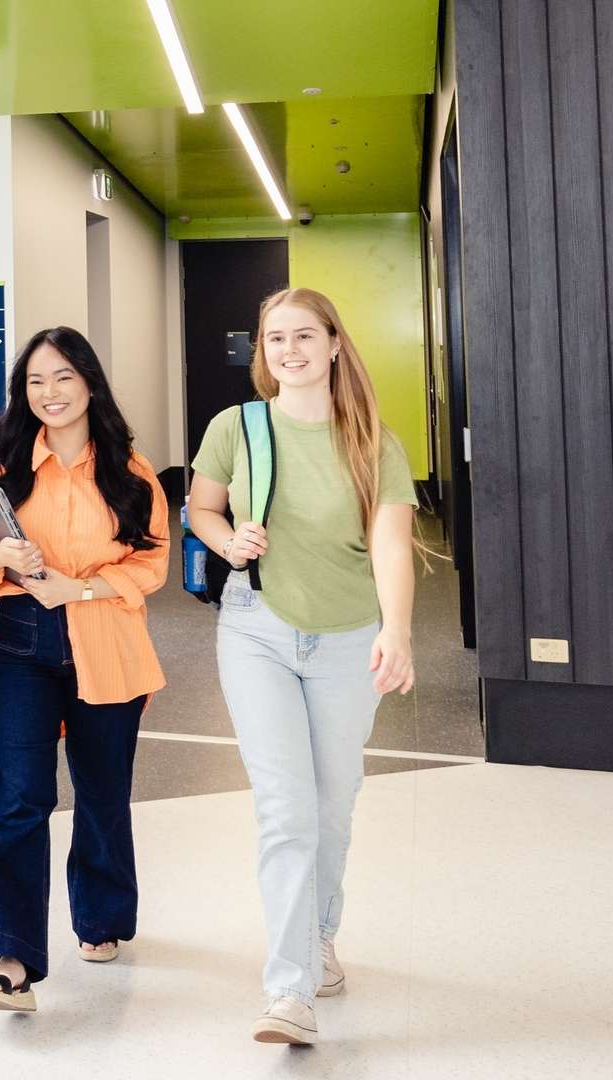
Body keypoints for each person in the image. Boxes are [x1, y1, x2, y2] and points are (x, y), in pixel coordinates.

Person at [186, 287, 418, 1044]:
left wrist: (398, 631)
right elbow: (200, 508)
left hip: (349, 638)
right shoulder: (237, 427)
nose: (288, 350)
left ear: (335, 343)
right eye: (275, 338)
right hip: (255, 630)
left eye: (303, 336)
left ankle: (319, 936)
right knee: (286, 809)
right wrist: (227, 541)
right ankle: (289, 992)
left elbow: (390, 545)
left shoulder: (373, 441)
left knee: (332, 802)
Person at [0, 326, 169, 1013]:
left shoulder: (131, 473)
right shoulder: (2, 471)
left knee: (102, 790)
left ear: (90, 384)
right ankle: (9, 960)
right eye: (36, 381)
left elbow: (152, 563)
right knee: (17, 793)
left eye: (64, 377)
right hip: (20, 640)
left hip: (106, 637)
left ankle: (101, 916)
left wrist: (82, 588)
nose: (50, 392)